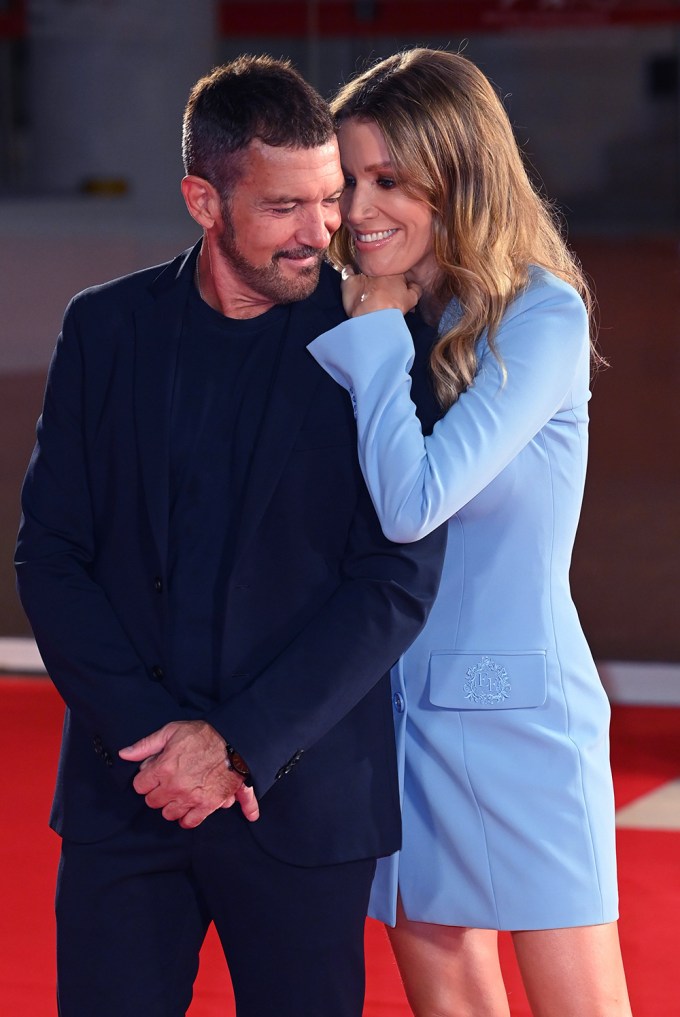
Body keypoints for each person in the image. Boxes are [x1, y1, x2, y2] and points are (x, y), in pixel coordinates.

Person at [14, 55, 447, 1017]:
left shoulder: (377, 334)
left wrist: (238, 745)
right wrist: (149, 741)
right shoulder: (105, 329)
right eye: (286, 206)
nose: (324, 232)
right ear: (203, 199)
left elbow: (394, 580)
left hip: (302, 799)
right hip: (127, 798)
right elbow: (51, 555)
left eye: (330, 200)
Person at [308, 48, 633, 1017]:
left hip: (517, 719)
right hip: (389, 718)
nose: (358, 209)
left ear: (456, 179)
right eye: (349, 180)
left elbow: (414, 501)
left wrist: (370, 334)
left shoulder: (539, 315)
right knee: (443, 998)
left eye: (387, 180)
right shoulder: (392, 309)